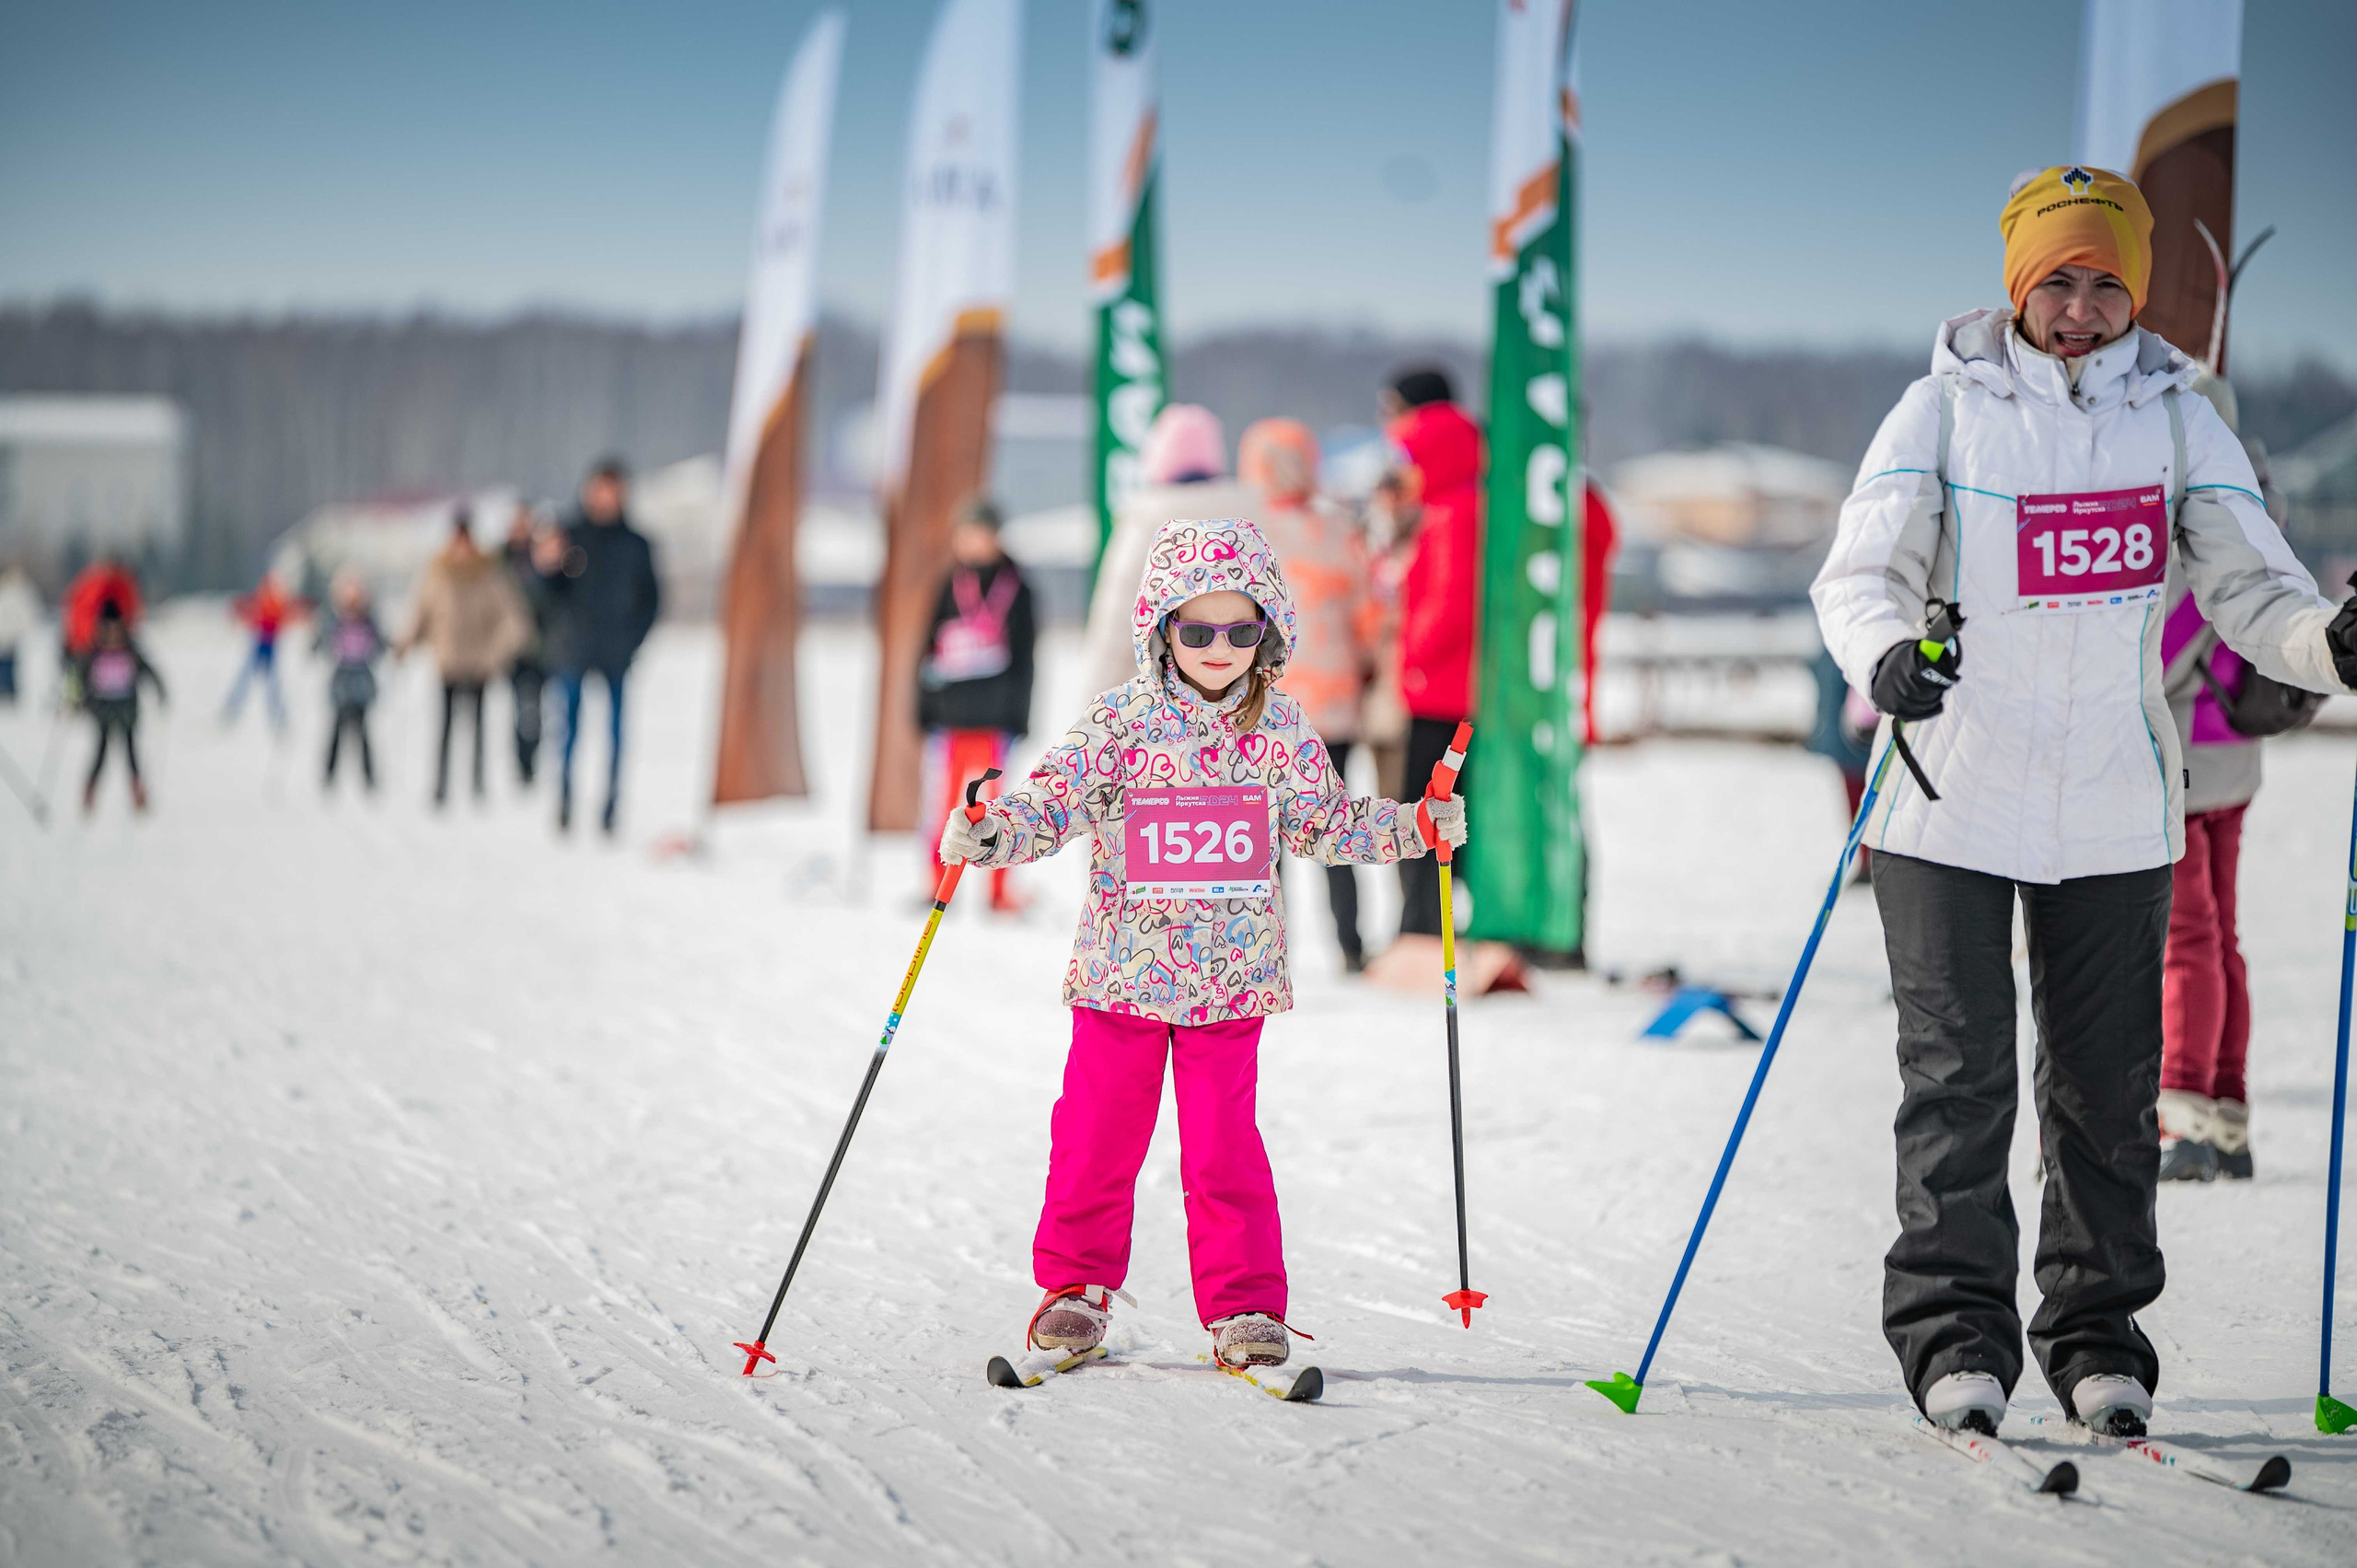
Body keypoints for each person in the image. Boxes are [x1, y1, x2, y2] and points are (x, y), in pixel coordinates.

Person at [1810, 164, 2357, 1444]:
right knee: (1959, 1081)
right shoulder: (1940, 410)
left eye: (2106, 282)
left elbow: (2251, 586)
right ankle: (1956, 1338)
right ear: (2018, 284)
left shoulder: (2176, 420)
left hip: (2114, 801)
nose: (2081, 307)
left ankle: (2100, 1337)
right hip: (1949, 798)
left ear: (2136, 289)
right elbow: (1859, 571)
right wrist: (1888, 655)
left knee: (2108, 1092)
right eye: (2057, 280)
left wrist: (2330, 645)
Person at [938, 515, 1466, 1371]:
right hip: (1122, 971)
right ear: (1161, 629)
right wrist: (991, 835)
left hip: (1229, 980)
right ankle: (1074, 1287)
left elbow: (1325, 824)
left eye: (1240, 628)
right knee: (1097, 1136)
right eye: (1197, 628)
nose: (1218, 647)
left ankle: (1245, 1302)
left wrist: (1415, 826)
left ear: (1268, 631)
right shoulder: (1119, 723)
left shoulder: (1282, 731)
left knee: (1225, 1147)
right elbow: (1051, 804)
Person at [1239, 417, 1378, 970]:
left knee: (1263, 833)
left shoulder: (1245, 536)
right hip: (1334, 705)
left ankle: (1269, 949)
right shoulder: (1339, 531)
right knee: (1332, 826)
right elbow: (1370, 617)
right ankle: (1352, 946)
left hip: (1263, 707)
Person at [1382, 367, 1482, 939]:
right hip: (1452, 686)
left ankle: (1423, 925)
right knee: (1438, 805)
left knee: (1428, 807)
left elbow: (1448, 602)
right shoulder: (1460, 506)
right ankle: (1425, 921)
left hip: (1441, 689)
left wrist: (1410, 655)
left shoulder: (1450, 515)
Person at [1078, 405, 1260, 701]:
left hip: (1155, 707)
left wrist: (1098, 702)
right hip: (1244, 702)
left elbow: (1115, 618)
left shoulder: (1149, 519)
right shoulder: (1251, 523)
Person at [916, 495, 1036, 913]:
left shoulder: (1018, 588)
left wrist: (1020, 716)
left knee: (995, 810)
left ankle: (998, 892)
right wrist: (924, 709)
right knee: (942, 809)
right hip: (951, 721)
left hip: (994, 720)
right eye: (965, 535)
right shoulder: (949, 584)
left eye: (980, 535)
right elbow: (926, 649)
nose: (973, 543)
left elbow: (1026, 660)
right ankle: (936, 886)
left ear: (996, 538)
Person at [539, 458, 660, 834]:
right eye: (599, 490)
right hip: (574, 650)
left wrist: (632, 641)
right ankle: (565, 799)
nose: (605, 498)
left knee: (617, 734)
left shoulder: (636, 543)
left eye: (612, 490)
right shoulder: (569, 537)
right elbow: (549, 596)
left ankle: (610, 805)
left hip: (616, 653)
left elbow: (652, 599)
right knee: (568, 731)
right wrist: (548, 568)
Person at [401, 507, 530, 808]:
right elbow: (421, 613)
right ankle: (441, 785)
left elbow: (514, 621)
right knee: (444, 727)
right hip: (447, 661)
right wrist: (405, 645)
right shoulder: (437, 573)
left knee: (478, 728)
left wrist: (496, 652)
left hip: (478, 663)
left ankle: (477, 784)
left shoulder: (488, 574)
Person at [77, 601, 165, 813]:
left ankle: (138, 793)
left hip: (127, 709)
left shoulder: (130, 648)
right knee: (101, 751)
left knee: (131, 752)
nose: (113, 633)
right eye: (108, 627)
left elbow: (147, 669)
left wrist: (160, 689)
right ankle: (90, 792)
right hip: (103, 709)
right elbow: (79, 677)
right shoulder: (94, 650)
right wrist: (73, 699)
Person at [314, 568, 387, 794]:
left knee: (362, 732)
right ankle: (329, 774)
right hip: (341, 681)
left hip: (362, 682)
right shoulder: (335, 619)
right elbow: (322, 640)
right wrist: (314, 644)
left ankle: (369, 777)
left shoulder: (368, 620)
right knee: (337, 730)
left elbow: (380, 644)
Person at [502, 505, 554, 786]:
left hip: (540, 647)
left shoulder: (542, 556)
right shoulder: (501, 558)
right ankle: (522, 763)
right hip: (512, 649)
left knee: (534, 708)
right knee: (521, 708)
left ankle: (530, 761)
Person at [222, 570, 303, 734]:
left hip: (270, 644)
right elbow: (247, 611)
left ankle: (278, 715)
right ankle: (232, 709)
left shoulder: (277, 601)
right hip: (259, 642)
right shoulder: (265, 600)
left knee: (271, 683)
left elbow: (287, 616)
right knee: (247, 678)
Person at [0, 564, 41, 703]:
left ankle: (8, 691)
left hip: (9, 638)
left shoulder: (18, 592)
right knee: (8, 666)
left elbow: (29, 617)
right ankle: (8, 691)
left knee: (8, 666)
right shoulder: (15, 592)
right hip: (9, 638)